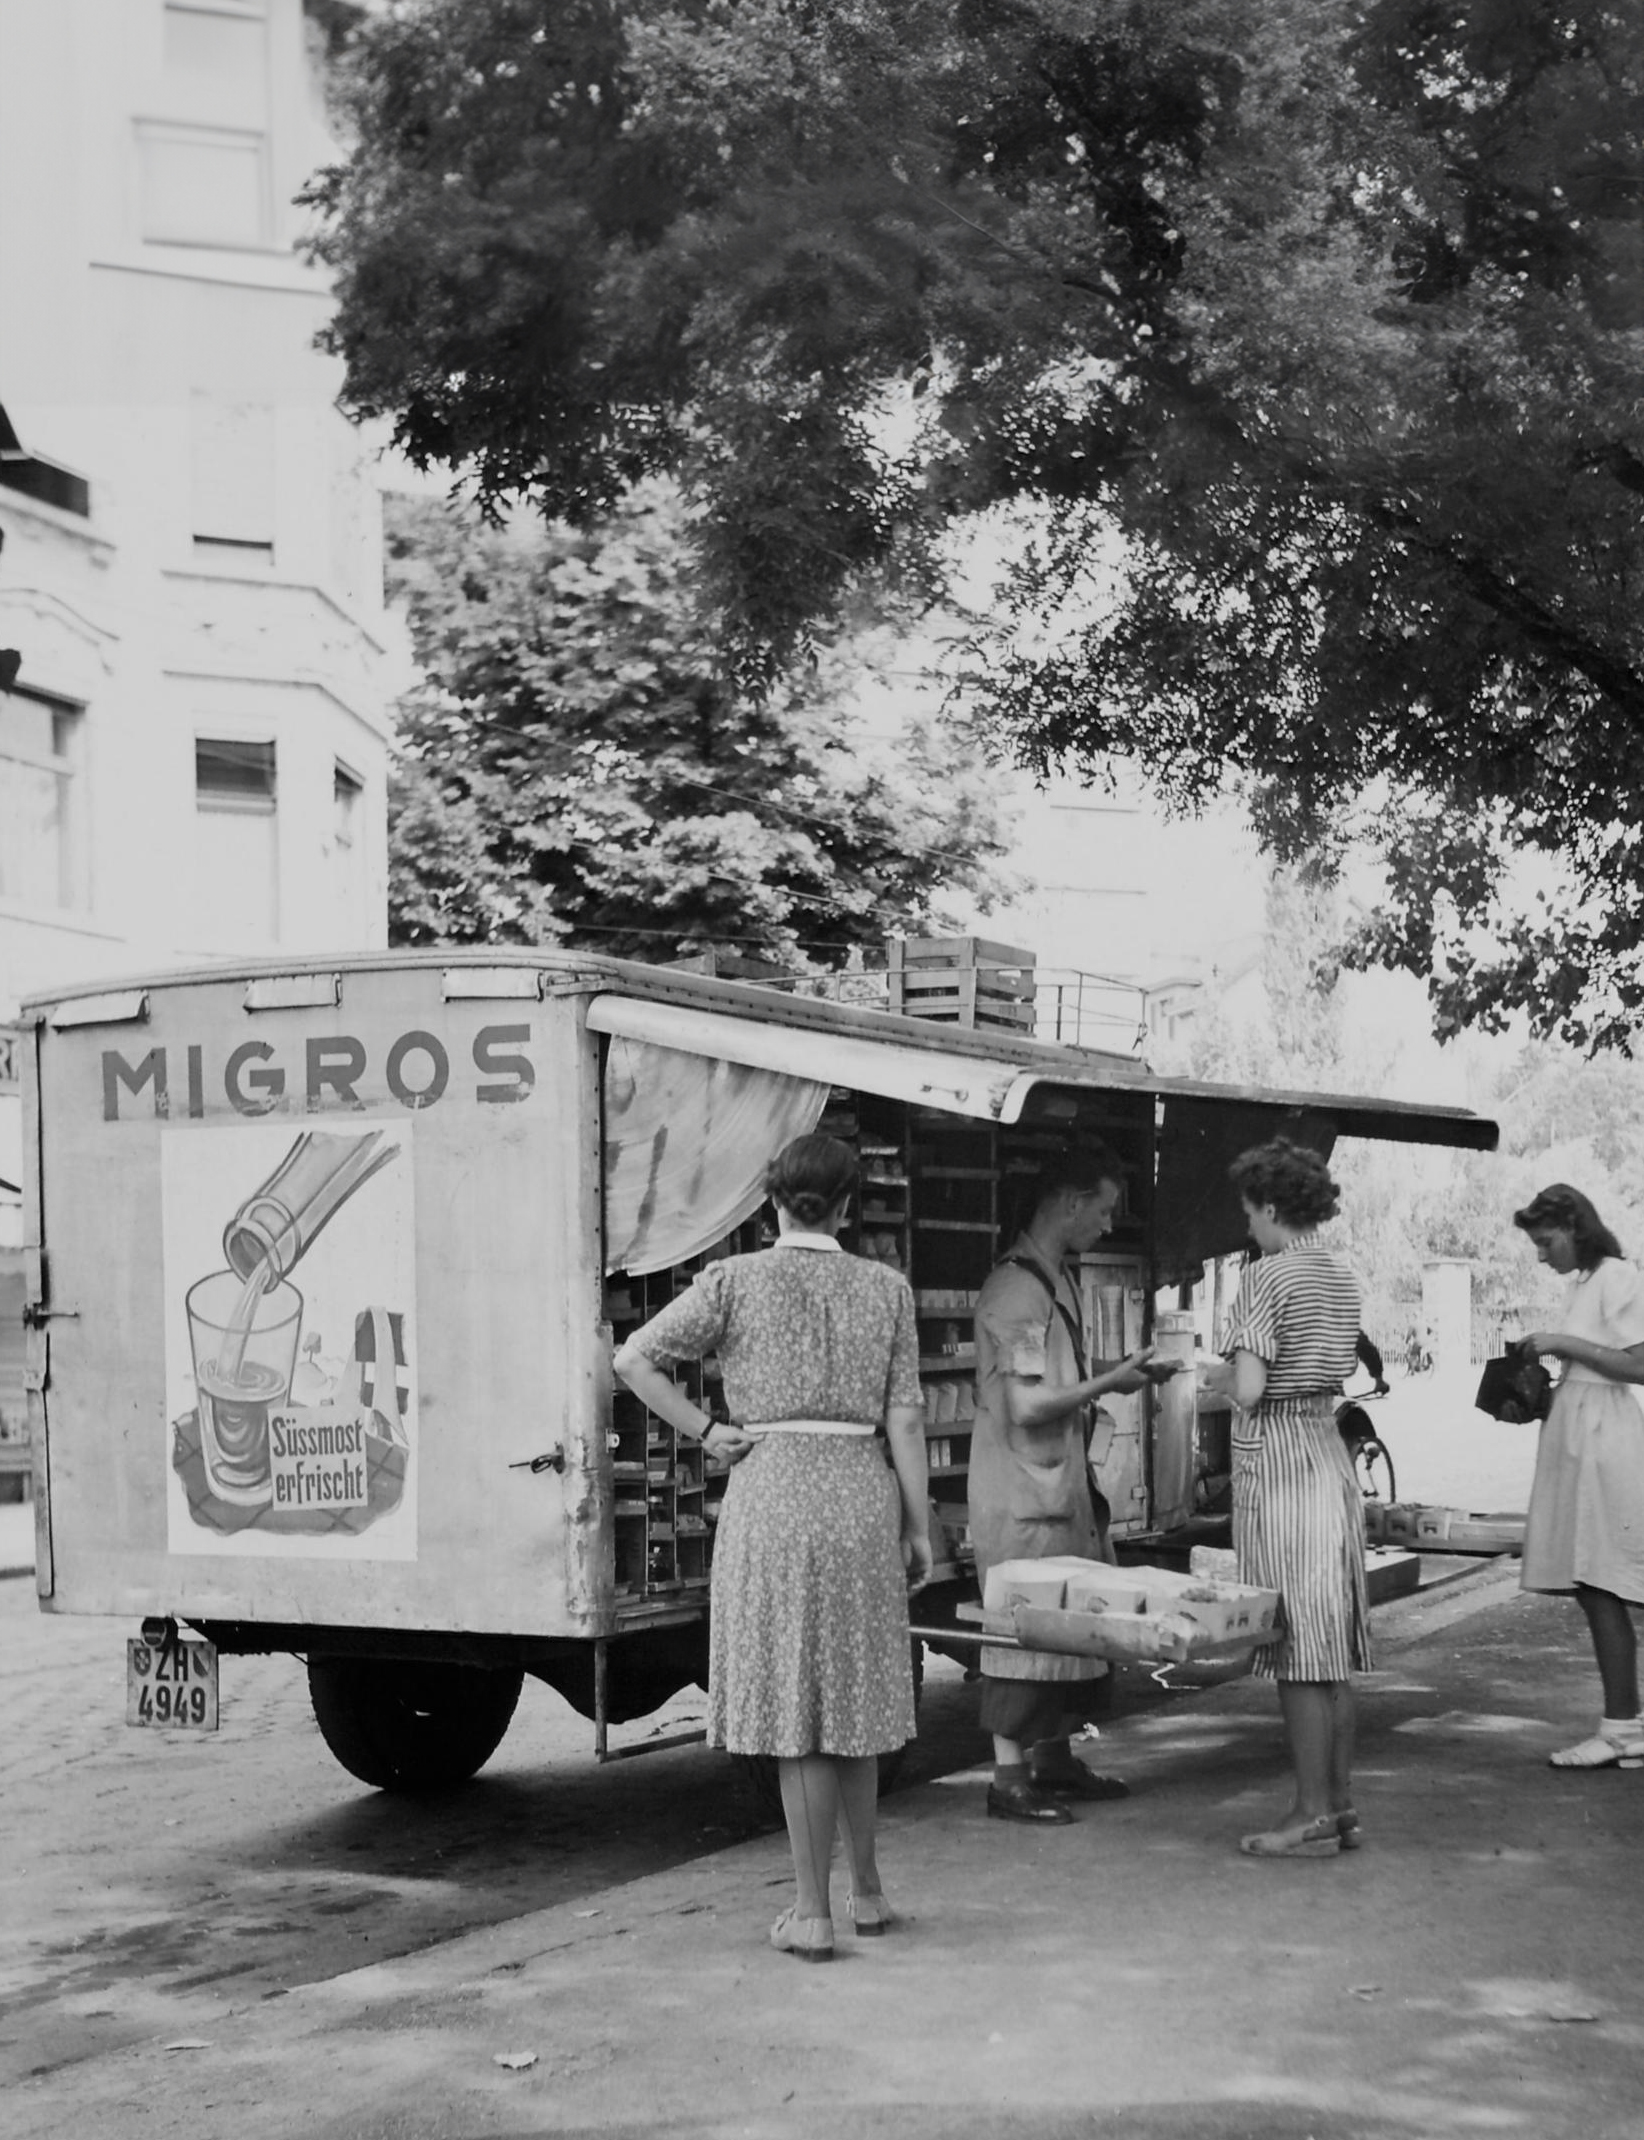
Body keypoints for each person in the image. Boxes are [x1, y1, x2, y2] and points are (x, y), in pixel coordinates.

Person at [612, 1133, 930, 1962]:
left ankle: (811, 1913)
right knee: (854, 1708)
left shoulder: (734, 1281)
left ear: (771, 1201)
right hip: (863, 1491)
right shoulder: (886, 1290)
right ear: (851, 1205)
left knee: (798, 1715)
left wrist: (708, 1431)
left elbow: (633, 1357)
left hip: (775, 1491)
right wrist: (920, 1525)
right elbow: (905, 1418)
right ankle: (868, 1894)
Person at [969, 1142, 1173, 1824]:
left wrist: (1119, 1369)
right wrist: (1110, 1383)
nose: (1109, 1226)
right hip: (1021, 1493)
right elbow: (1026, 1405)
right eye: (1106, 1209)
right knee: (1023, 1627)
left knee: (1066, 1625)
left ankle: (1053, 1762)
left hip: (1054, 1486)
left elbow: (1049, 1381)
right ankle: (1008, 1781)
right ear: (1069, 1201)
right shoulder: (1018, 1291)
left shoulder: (1052, 1278)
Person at [1199, 1137, 1367, 1859]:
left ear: (1271, 1207)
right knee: (1333, 1643)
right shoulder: (1342, 1274)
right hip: (1329, 1453)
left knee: (1297, 1645)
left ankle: (1307, 1811)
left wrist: (1209, 1380)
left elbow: (1250, 1388)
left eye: (1250, 1214)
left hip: (1280, 1459)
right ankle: (1338, 1801)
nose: (1249, 1229)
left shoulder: (1265, 1279)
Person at [1513, 1184, 1644, 1769]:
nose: (1542, 1255)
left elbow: (1639, 1364)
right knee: (1595, 1584)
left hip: (1606, 1443)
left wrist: (1563, 1342)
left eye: (1545, 1242)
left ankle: (1623, 1727)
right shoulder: (1584, 1283)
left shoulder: (1616, 1274)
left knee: (1603, 1580)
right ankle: (1624, 1724)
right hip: (1580, 1436)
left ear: (1572, 1225)